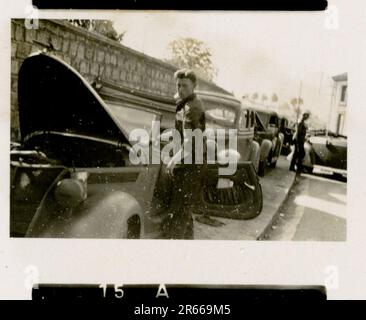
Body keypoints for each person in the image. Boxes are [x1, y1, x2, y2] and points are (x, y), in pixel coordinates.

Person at [162, 69, 222, 239]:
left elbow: (189, 142)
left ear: (194, 86)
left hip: (192, 165)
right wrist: (156, 138)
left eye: (185, 86)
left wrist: (174, 159)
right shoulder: (185, 105)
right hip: (189, 162)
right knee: (184, 212)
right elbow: (178, 133)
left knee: (178, 212)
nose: (181, 89)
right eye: (178, 85)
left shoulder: (193, 108)